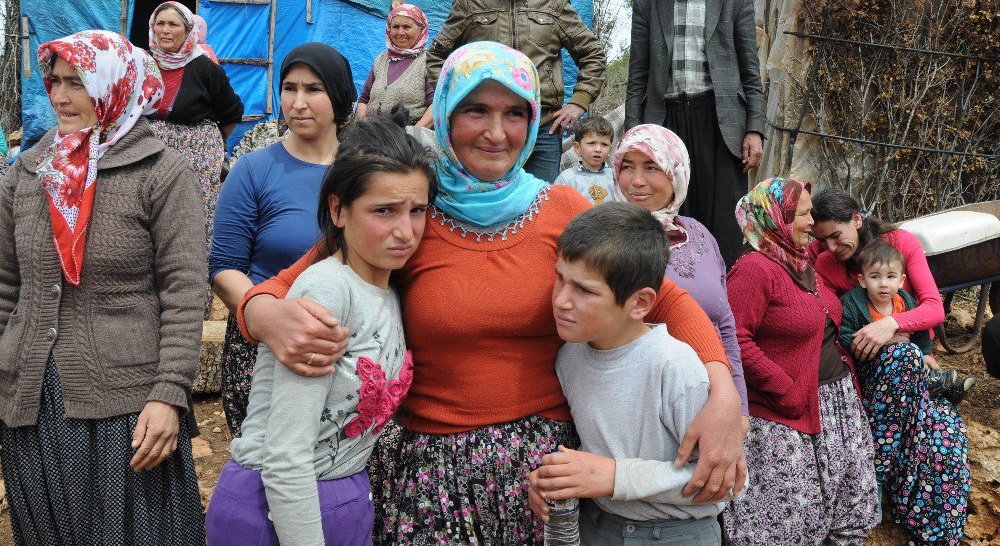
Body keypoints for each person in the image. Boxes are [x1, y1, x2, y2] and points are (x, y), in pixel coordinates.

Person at [236, 41, 745, 545]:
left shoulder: (563, 209)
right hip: (433, 480)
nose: (496, 133)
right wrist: (266, 317)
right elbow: (275, 289)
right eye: (476, 110)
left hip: (545, 479)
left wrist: (721, 392)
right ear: (446, 114)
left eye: (514, 114)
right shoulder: (408, 213)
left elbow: (666, 298)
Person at [0, 30, 206, 544]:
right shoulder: (26, 173)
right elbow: (7, 288)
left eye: (79, 83)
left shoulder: (159, 172)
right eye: (55, 82)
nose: (60, 97)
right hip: (33, 405)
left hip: (126, 408)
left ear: (114, 86)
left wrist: (169, 394)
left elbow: (184, 293)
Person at [206, 114, 435, 546]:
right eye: (383, 211)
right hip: (277, 511)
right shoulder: (328, 291)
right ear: (338, 209)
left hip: (340, 500)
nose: (406, 231)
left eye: (417, 211)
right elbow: (286, 456)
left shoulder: (387, 289)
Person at [528, 203, 734, 546]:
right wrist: (559, 478)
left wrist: (615, 477)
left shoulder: (675, 367)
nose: (561, 300)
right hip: (596, 526)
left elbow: (726, 485)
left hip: (676, 535)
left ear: (639, 303)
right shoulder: (569, 357)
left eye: (585, 290)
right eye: (560, 279)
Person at [210, 43, 357, 436]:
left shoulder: (365, 172)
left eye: (313, 89)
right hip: (265, 348)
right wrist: (271, 320)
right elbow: (224, 267)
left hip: (350, 349)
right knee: (272, 475)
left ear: (339, 95)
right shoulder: (254, 170)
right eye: (289, 88)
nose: (298, 102)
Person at [723, 177, 879, 545]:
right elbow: (733, 339)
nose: (812, 222)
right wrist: (784, 387)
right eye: (804, 214)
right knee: (787, 520)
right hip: (786, 411)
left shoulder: (799, 261)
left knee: (849, 509)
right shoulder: (754, 269)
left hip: (835, 402)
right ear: (777, 216)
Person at [811, 189, 970, 545]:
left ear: (856, 219)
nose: (831, 248)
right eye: (822, 240)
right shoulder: (826, 264)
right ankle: (878, 476)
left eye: (836, 236)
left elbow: (933, 308)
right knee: (903, 359)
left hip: (912, 364)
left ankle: (936, 537)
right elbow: (841, 332)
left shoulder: (901, 244)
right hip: (870, 373)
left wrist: (893, 325)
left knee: (947, 437)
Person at [624, 0, 765, 266]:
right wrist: (632, 136)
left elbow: (751, 71)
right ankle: (671, 294)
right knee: (666, 216)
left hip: (720, 122)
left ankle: (726, 304)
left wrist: (754, 128)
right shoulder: (649, 0)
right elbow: (637, 75)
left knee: (724, 223)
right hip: (665, 123)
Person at [425, 0, 607, 183]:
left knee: (536, 206)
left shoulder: (553, 3)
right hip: (484, 129)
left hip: (542, 128)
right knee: (485, 204)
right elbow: (437, 57)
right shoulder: (469, 3)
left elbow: (592, 53)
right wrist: (459, 101)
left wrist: (578, 103)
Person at [612, 124, 748, 416]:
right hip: (638, 409)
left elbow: (725, 326)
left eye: (651, 167)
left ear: (677, 173)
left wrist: (738, 405)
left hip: (713, 400)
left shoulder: (699, 234)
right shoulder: (604, 239)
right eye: (628, 167)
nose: (636, 181)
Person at [147, 0, 244, 270]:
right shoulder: (143, 63)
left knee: (191, 218)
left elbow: (232, 110)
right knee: (150, 215)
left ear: (188, 30)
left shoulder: (204, 67)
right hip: (150, 152)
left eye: (173, 24)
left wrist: (213, 143)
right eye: (160, 24)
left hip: (196, 155)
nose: (165, 30)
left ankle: (192, 287)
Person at [841, 240, 973, 404]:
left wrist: (924, 353)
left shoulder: (904, 301)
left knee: (916, 362)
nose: (883, 283)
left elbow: (920, 331)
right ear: (862, 280)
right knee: (906, 356)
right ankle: (932, 389)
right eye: (875, 277)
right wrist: (883, 344)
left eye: (891, 277)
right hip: (872, 369)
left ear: (901, 280)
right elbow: (843, 336)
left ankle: (945, 394)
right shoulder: (851, 304)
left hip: (908, 365)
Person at [356, 4, 434, 127]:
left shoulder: (429, 61)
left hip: (409, 138)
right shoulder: (382, 59)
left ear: (421, 29)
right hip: (373, 134)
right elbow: (364, 100)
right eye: (395, 27)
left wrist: (413, 134)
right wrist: (363, 126)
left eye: (407, 27)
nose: (400, 32)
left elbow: (436, 105)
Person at [553, 115, 616, 205]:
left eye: (604, 144)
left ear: (610, 149)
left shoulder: (615, 177)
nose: (598, 149)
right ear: (577, 147)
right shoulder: (567, 179)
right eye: (591, 143)